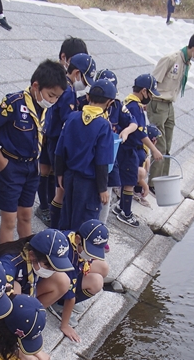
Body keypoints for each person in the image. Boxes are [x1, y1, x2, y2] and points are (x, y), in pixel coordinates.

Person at [0, 59, 67, 243]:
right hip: (10, 166)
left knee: (26, 217)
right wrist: (0, 159)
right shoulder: (14, 102)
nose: (52, 101)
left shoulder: (48, 110)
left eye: (57, 98)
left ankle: (27, 260)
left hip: (32, 168)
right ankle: (5, 261)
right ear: (36, 86)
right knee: (9, 220)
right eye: (51, 95)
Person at [36, 37, 89, 226]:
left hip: (48, 132)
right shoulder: (65, 88)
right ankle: (46, 208)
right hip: (54, 136)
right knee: (49, 174)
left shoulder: (64, 85)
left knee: (47, 173)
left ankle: (46, 206)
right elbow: (67, 117)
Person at [147, 32, 194, 182]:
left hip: (169, 105)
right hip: (158, 103)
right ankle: (153, 182)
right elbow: (152, 82)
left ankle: (162, 181)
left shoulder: (186, 62)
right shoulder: (171, 59)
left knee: (168, 146)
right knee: (160, 145)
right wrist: (145, 102)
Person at [55, 79, 116, 231]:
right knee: (84, 224)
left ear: (88, 97)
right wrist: (103, 188)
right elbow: (102, 161)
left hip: (70, 176)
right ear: (109, 102)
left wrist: (59, 173)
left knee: (67, 215)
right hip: (89, 183)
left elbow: (60, 149)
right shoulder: (104, 125)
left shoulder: (73, 117)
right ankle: (77, 253)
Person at [46, 53, 97, 230]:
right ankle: (55, 226)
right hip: (57, 142)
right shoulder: (67, 91)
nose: (84, 83)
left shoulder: (67, 88)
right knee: (60, 189)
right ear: (76, 73)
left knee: (59, 188)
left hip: (54, 140)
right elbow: (67, 119)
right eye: (84, 78)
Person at [113, 74, 163, 227]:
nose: (150, 97)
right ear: (143, 91)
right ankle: (125, 213)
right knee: (129, 181)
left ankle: (121, 206)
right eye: (150, 93)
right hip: (128, 148)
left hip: (124, 148)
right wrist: (154, 149)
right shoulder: (135, 107)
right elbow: (140, 133)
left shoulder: (130, 102)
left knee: (128, 178)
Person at [95, 69, 139, 242]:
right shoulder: (86, 103)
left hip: (109, 157)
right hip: (90, 157)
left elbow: (133, 122)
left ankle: (101, 231)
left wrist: (126, 131)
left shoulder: (117, 106)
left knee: (107, 192)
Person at [49, 219, 109, 342]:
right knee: (96, 283)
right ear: (77, 239)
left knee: (103, 267)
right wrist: (65, 325)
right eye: (89, 250)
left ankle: (67, 302)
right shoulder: (68, 255)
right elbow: (70, 291)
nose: (91, 256)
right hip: (54, 280)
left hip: (69, 271)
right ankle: (58, 303)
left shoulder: (75, 241)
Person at [0, 228, 73, 308]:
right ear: (32, 255)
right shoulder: (9, 263)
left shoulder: (32, 254)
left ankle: (34, 311)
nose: (52, 271)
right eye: (49, 266)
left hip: (26, 285)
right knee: (15, 288)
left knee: (63, 281)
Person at [133, 123, 162, 207]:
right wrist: (145, 186)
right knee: (142, 171)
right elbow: (135, 170)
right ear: (153, 141)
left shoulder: (144, 148)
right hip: (126, 173)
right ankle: (136, 190)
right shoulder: (141, 152)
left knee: (147, 163)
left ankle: (137, 188)